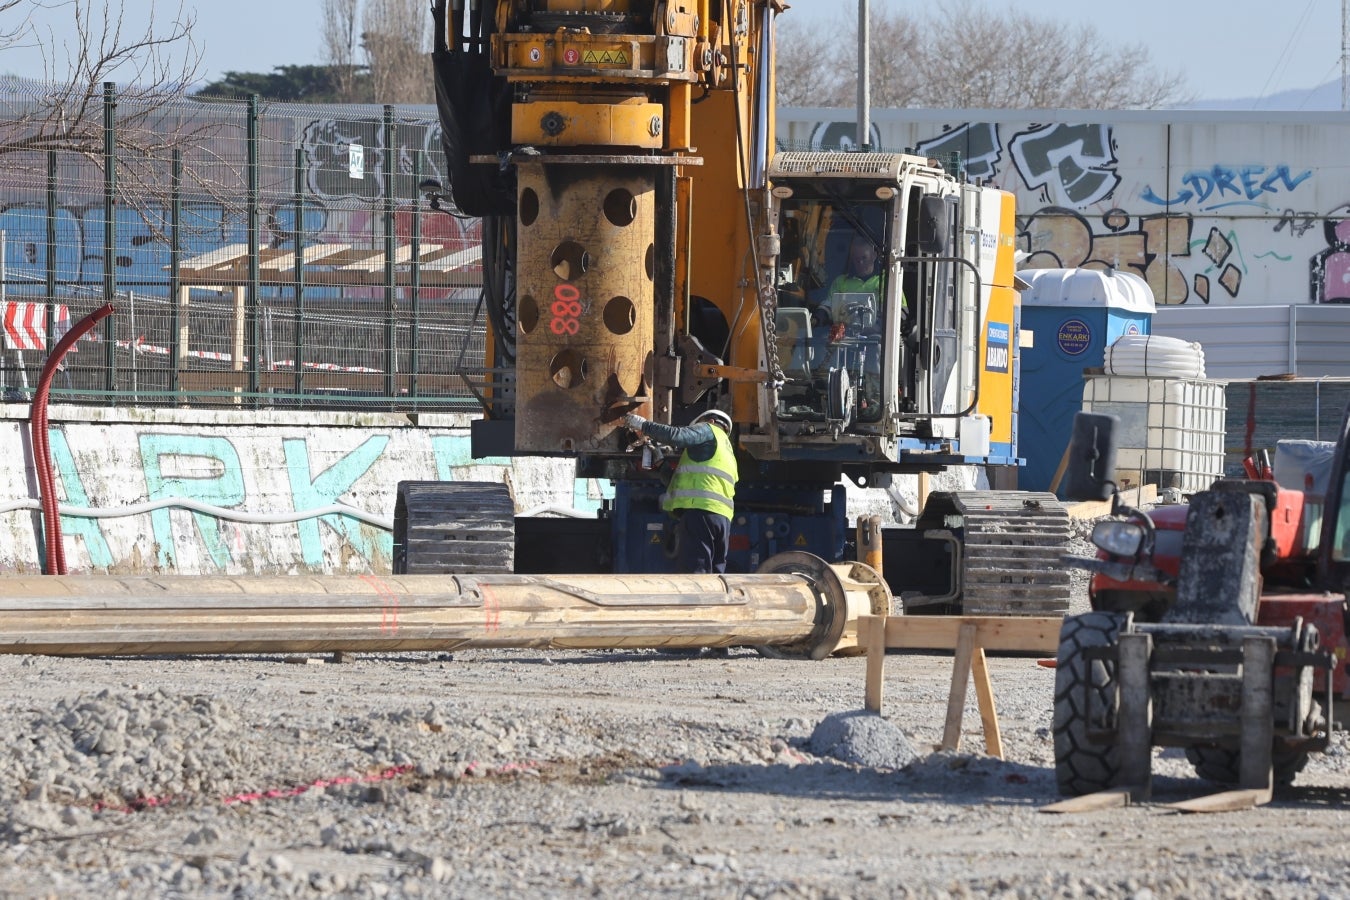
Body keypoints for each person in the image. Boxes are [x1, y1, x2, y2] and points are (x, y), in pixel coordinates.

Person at [622, 408, 738, 574]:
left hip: (700, 512)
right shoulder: (727, 453)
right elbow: (681, 483)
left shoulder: (709, 429)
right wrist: (661, 463)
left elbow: (676, 435)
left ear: (711, 420)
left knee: (695, 571)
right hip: (722, 519)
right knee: (715, 574)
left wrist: (642, 424)